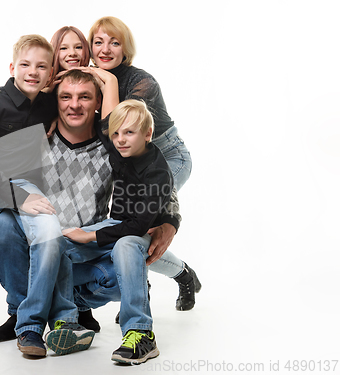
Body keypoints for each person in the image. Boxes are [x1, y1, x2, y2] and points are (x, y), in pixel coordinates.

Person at [0, 70, 183, 344]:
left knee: (121, 273)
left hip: (81, 253)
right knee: (4, 221)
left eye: (84, 97)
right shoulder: (37, 139)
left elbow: (153, 174)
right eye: (66, 97)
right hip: (34, 254)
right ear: (56, 102)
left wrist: (171, 220)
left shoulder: (114, 145)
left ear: (98, 102)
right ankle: (22, 311)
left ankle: (69, 309)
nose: (75, 105)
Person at [0, 34, 94, 358]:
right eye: (26, 65)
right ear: (12, 67)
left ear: (50, 74)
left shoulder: (47, 102)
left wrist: (65, 76)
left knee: (49, 233)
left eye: (41, 67)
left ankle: (30, 325)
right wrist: (8, 197)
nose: (33, 72)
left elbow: (70, 91)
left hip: (26, 186)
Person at [46, 99, 179, 364]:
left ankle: (140, 333)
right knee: (60, 245)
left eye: (129, 132)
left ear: (147, 134)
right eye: (116, 133)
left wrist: (91, 235)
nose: (120, 139)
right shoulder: (119, 147)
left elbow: (139, 224)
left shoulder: (158, 172)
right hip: (115, 222)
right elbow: (97, 123)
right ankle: (68, 320)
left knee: (126, 245)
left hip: (139, 231)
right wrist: (50, 117)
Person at [86, 16, 201, 313]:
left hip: (167, 158)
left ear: (126, 49)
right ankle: (170, 277)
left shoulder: (142, 82)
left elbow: (114, 131)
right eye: (98, 42)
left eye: (114, 42)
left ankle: (167, 281)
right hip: (129, 166)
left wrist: (170, 220)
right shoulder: (91, 81)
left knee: (138, 231)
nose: (105, 49)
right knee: (132, 232)